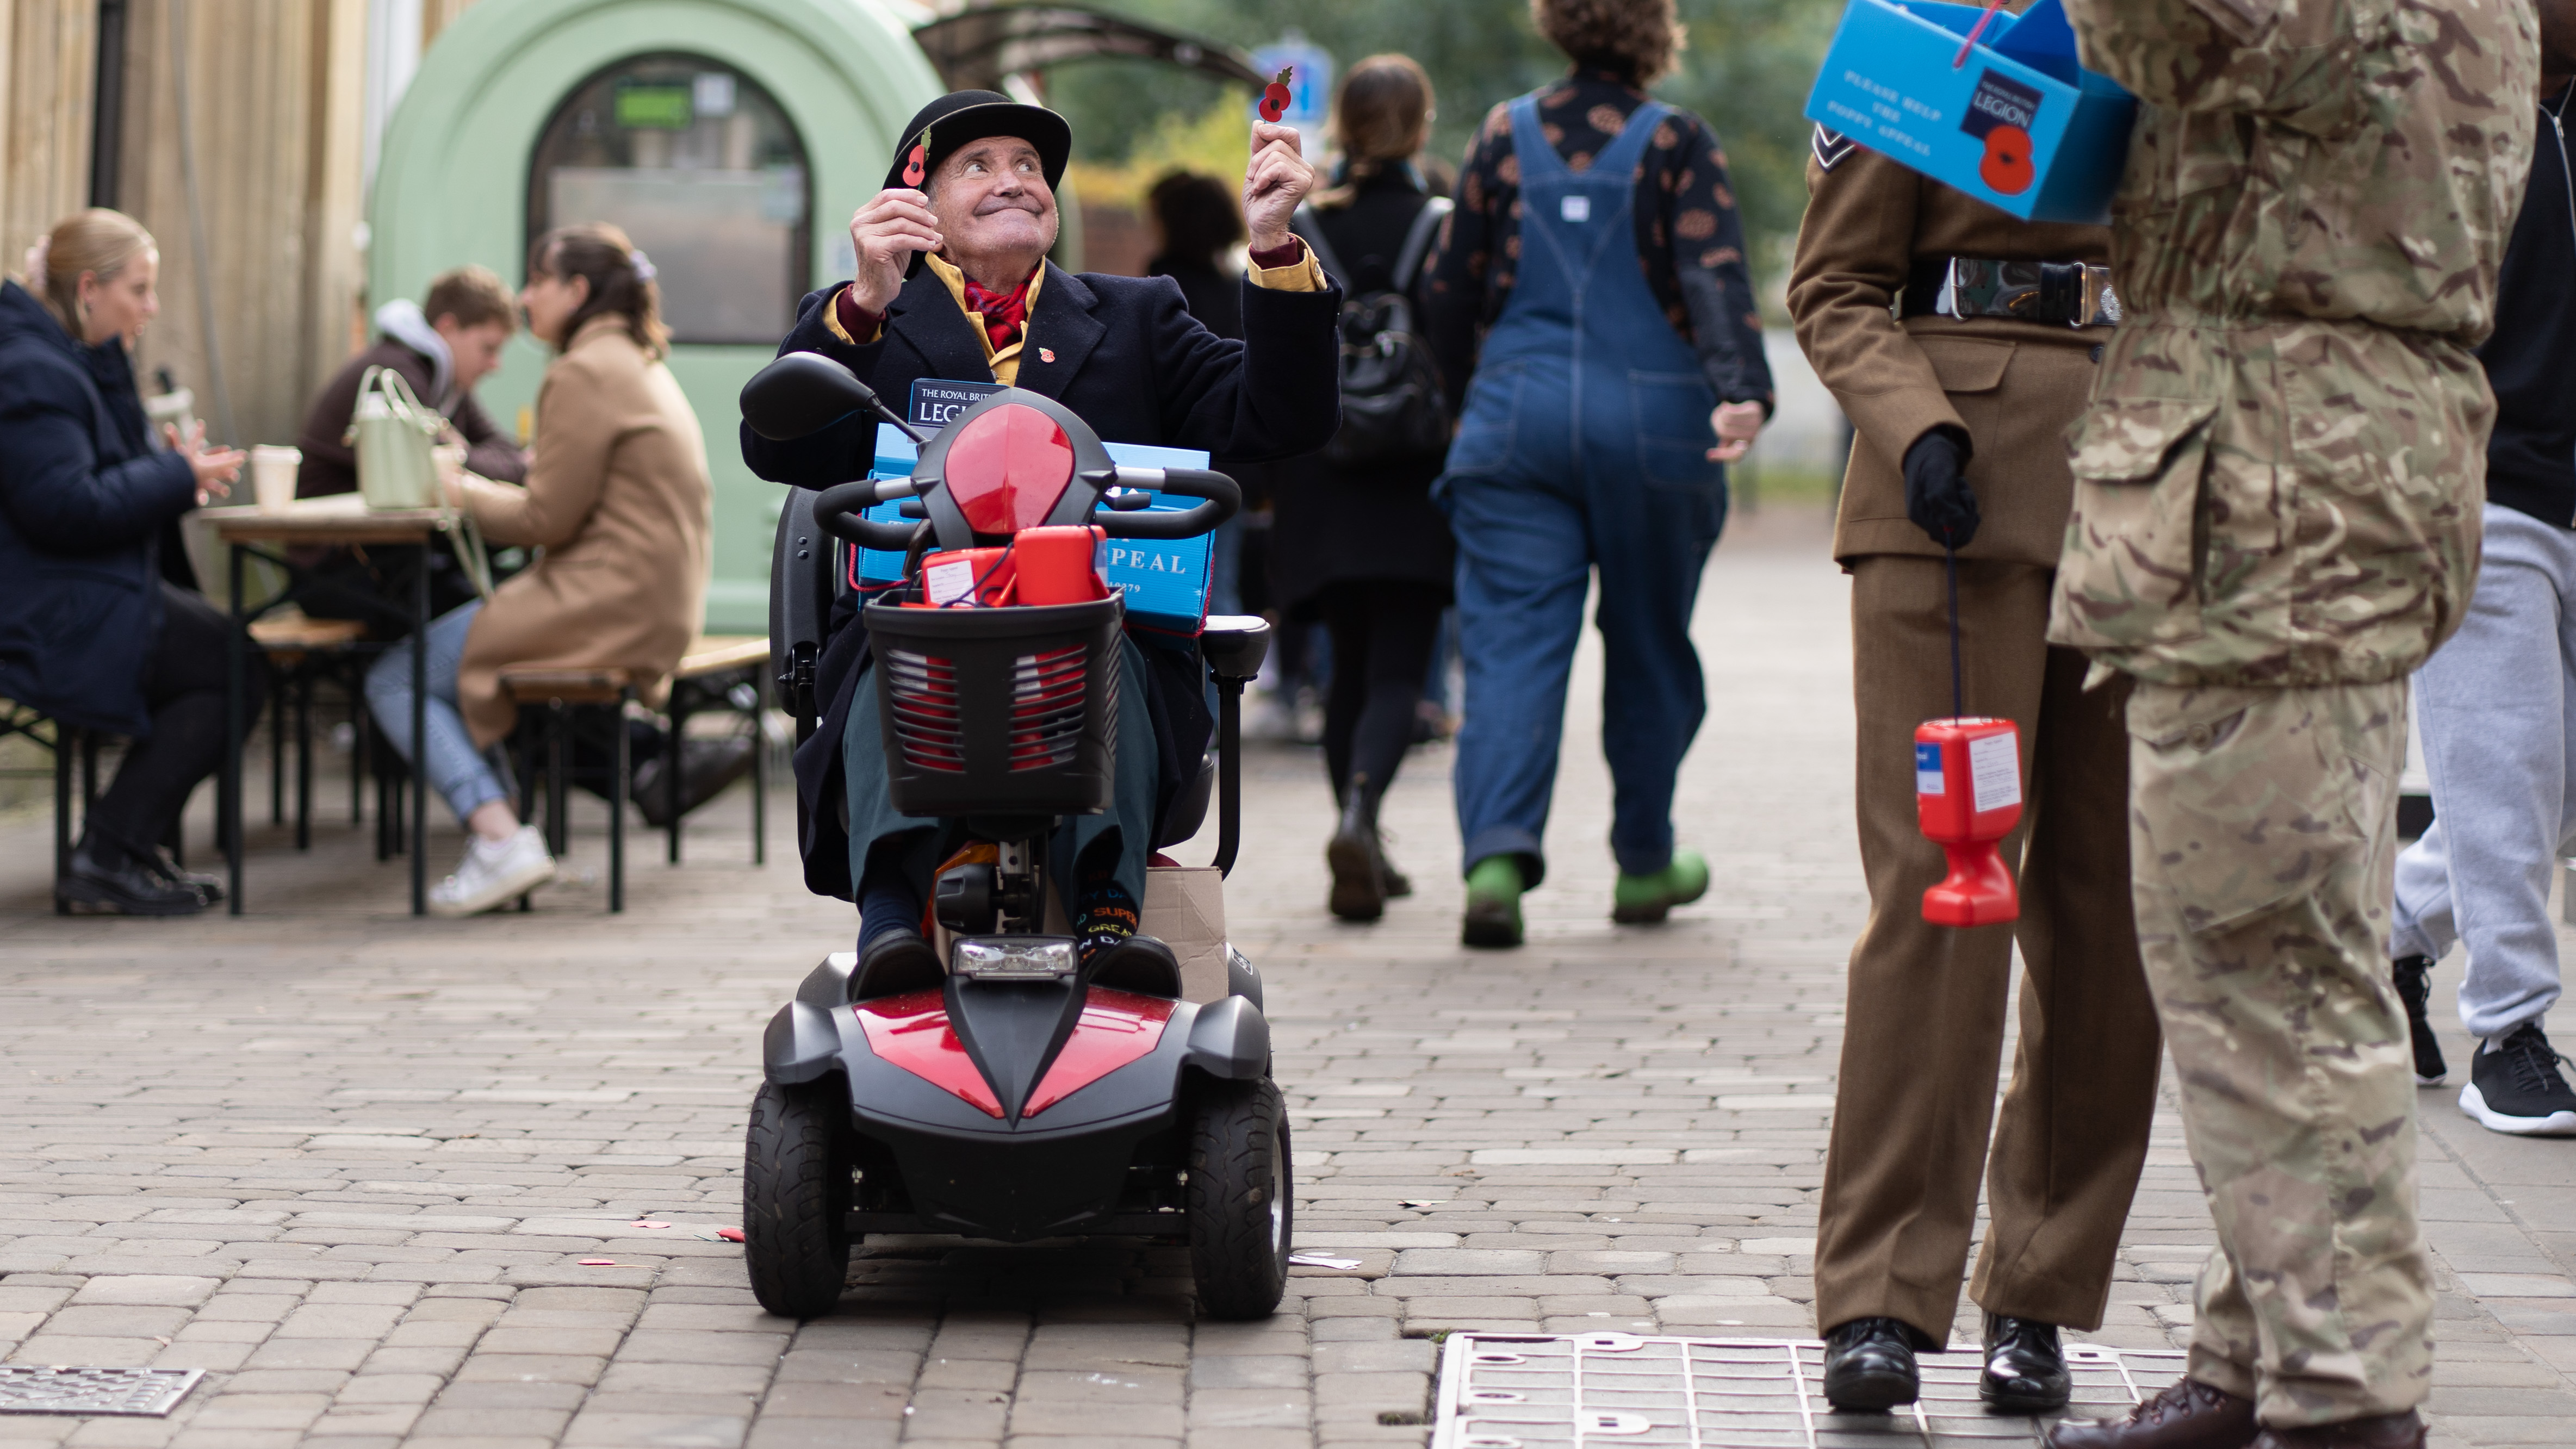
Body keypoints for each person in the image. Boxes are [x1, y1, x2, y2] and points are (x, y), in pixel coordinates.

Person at [2042, 1, 2538, 1446]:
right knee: (2298, 936)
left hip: (2263, 492)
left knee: (2257, 964)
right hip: (2351, 469)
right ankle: (2253, 1351)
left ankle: (2343, 1398)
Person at [742, 89, 1339, 1000]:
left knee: (1105, 639)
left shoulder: (1138, 315)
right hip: (923, 643)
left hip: (1100, 649)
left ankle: (1109, 912)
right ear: (917, 207)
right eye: (977, 166)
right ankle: (891, 920)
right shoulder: (869, 320)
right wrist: (863, 302)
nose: (1012, 181)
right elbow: (775, 446)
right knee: (886, 641)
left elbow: (1282, 415)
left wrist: (1271, 246)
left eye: (1027, 167)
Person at [1787, 75, 2159, 1411]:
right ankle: (1880, 1294)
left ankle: (2040, 1292)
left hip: (2142, 491)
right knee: (1944, 893)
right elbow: (1832, 286)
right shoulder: (1922, 45)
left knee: (2106, 919)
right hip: (1947, 499)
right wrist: (1914, 425)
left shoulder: (2186, 42)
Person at [1422, 0, 1773, 948]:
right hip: (1655, 426)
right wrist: (1742, 389)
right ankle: (1646, 860)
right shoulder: (1679, 142)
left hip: (1512, 424)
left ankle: (1495, 862)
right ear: (1654, 32)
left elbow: (1449, 288)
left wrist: (1462, 403)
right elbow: (1713, 272)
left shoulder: (1502, 133)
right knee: (1651, 644)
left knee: (1506, 649)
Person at [365, 225, 715, 917]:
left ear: (576, 291)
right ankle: (507, 829)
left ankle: (498, 836)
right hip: (648, 598)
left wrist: (458, 489)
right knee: (442, 656)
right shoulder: (631, 359)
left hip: (605, 599)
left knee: (396, 675)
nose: (525, 297)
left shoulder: (584, 369)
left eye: (538, 281)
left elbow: (543, 521)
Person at [2385, 1, 2576, 1138]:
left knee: (2542, 787)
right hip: (2475, 490)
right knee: (2503, 769)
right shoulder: (2430, 111)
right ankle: (2506, 1028)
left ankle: (2392, 933)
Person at [0, 208, 258, 915]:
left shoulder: (60, 356)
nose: (152, 306)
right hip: (42, 606)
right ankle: (108, 853)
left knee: (229, 657)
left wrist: (114, 363)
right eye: (139, 291)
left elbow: (115, 461)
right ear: (89, 289)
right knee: (234, 668)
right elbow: (67, 506)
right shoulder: (28, 368)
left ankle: (119, 848)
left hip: (77, 587)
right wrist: (176, 477)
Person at [1271, 54, 1457, 923]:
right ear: (1420, 127)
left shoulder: (1302, 225)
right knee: (1400, 665)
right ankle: (1363, 815)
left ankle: (1362, 838)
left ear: (1342, 124)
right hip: (1414, 470)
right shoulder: (1447, 227)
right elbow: (1463, 351)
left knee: (1345, 663)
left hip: (1326, 465)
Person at [295, 265, 528, 500]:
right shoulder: (393, 374)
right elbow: (428, 470)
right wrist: (457, 454)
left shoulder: (449, 383)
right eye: (488, 349)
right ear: (448, 328)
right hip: (332, 529)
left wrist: (459, 453)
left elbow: (512, 461)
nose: (496, 365)